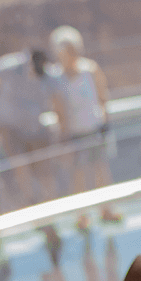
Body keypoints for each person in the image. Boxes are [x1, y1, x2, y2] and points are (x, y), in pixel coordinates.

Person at [0, 47, 59, 209]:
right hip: (10, 128)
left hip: (35, 127)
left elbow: (55, 96)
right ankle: (31, 203)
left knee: (43, 169)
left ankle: (49, 205)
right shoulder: (7, 68)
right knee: (20, 166)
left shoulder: (47, 74)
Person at [49, 25, 111, 195]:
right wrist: (64, 135)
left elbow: (102, 96)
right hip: (74, 134)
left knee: (100, 168)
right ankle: (82, 216)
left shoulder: (90, 69)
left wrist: (105, 121)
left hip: (94, 129)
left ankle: (106, 208)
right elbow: (59, 108)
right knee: (78, 174)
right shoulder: (57, 77)